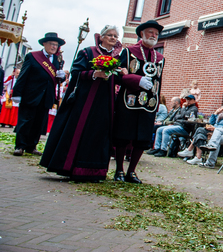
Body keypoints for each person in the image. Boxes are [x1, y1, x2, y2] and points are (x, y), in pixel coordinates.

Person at [40, 26, 125, 181]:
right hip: (85, 101)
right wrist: (94, 73)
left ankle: (94, 172)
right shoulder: (88, 52)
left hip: (105, 102)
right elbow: (76, 72)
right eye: (110, 35)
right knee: (80, 131)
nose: (113, 38)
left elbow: (116, 79)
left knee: (99, 133)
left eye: (116, 36)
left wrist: (122, 73)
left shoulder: (116, 57)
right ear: (102, 37)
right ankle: (72, 168)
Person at [112, 20, 165, 184]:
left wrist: (156, 103)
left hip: (149, 104)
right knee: (123, 135)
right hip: (129, 100)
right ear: (142, 34)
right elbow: (116, 75)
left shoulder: (160, 57)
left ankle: (132, 171)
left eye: (156, 33)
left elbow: (159, 81)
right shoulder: (128, 52)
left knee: (142, 139)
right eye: (150, 32)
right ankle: (119, 169)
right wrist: (136, 80)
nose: (153, 36)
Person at [12, 33, 66, 156]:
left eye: (56, 45)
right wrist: (17, 93)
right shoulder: (33, 56)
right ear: (44, 44)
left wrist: (62, 77)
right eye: (52, 44)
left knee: (39, 122)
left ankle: (32, 146)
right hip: (30, 95)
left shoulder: (58, 60)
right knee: (25, 121)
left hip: (46, 96)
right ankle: (20, 146)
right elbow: (23, 75)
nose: (54, 47)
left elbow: (56, 79)